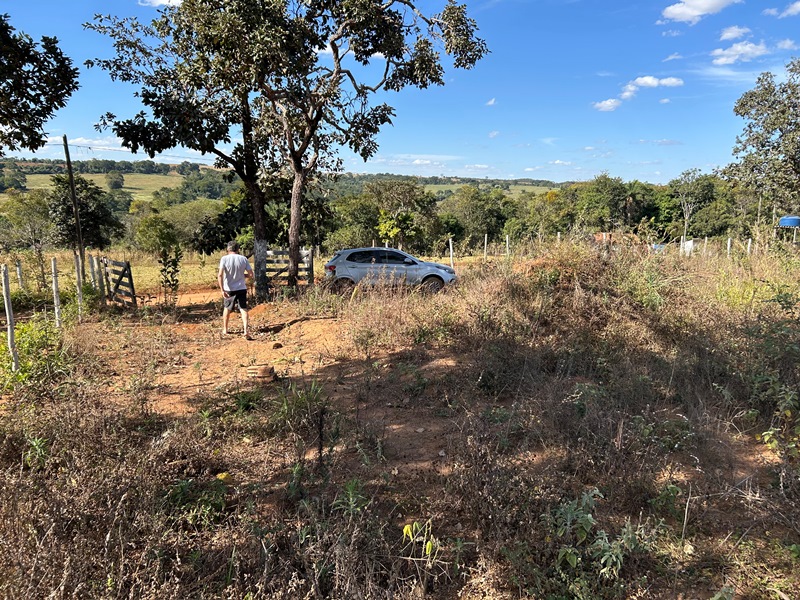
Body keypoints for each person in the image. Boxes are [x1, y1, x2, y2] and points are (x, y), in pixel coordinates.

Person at [218, 241, 254, 339]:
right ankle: (246, 330)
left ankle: (225, 329)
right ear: (238, 249)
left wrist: (222, 290)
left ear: (228, 249)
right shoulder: (243, 259)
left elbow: (220, 275)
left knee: (227, 308)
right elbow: (251, 274)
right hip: (241, 287)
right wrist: (243, 276)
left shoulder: (224, 259)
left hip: (229, 288)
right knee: (243, 309)